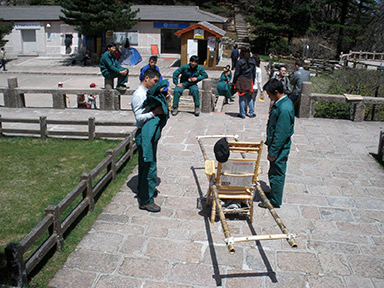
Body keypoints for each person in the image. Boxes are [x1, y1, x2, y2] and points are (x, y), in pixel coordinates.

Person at [131, 68, 171, 212]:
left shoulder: (148, 92)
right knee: (148, 165)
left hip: (151, 133)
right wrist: (154, 113)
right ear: (146, 78)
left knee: (148, 164)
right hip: (144, 134)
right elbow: (139, 117)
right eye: (155, 81)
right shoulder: (138, 95)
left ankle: (146, 190)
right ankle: (146, 201)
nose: (156, 84)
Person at [259, 78, 294, 209]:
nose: (269, 97)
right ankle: (274, 192)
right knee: (273, 171)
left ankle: (274, 200)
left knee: (277, 173)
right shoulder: (281, 104)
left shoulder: (284, 108)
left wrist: (273, 152)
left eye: (269, 95)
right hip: (276, 145)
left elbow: (280, 133)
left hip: (279, 148)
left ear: (276, 92)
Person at [233, 47, 256, 118]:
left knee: (242, 97)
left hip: (241, 80)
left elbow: (237, 73)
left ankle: (242, 113)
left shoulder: (239, 62)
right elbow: (254, 72)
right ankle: (251, 112)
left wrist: (234, 82)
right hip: (249, 80)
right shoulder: (253, 61)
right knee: (250, 97)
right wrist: (253, 81)